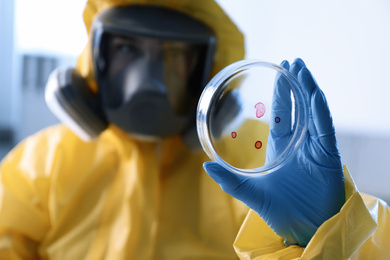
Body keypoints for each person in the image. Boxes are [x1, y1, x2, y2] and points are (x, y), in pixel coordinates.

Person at [0, 0, 388, 259]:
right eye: (126, 49)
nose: (149, 76)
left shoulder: (257, 158)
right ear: (95, 56)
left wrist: (325, 236)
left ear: (205, 66)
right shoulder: (43, 165)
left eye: (173, 54)